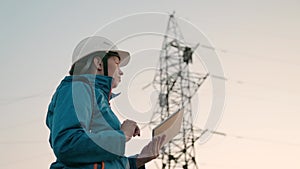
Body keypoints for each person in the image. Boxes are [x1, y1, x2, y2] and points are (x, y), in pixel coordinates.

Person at [46, 36, 165, 169]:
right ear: (99, 63)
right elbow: (68, 145)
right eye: (117, 63)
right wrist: (122, 135)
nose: (121, 71)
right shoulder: (77, 88)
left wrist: (136, 162)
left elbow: (97, 161)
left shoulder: (94, 96)